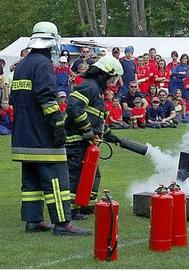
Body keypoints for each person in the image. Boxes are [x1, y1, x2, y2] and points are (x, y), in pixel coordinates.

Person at [10, 21, 90, 236]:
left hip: (23, 136)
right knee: (57, 179)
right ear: (51, 42)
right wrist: (57, 126)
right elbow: (47, 99)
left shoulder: (22, 65)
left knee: (31, 180)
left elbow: (14, 99)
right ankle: (63, 223)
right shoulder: (43, 65)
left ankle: (33, 220)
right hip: (42, 136)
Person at [65, 56, 125, 219]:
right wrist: (86, 129)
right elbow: (73, 106)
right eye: (113, 78)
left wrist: (111, 136)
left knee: (93, 174)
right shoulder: (89, 87)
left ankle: (86, 207)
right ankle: (71, 210)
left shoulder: (97, 91)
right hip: (75, 141)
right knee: (76, 175)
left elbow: (96, 119)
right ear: (105, 74)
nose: (113, 82)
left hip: (86, 142)